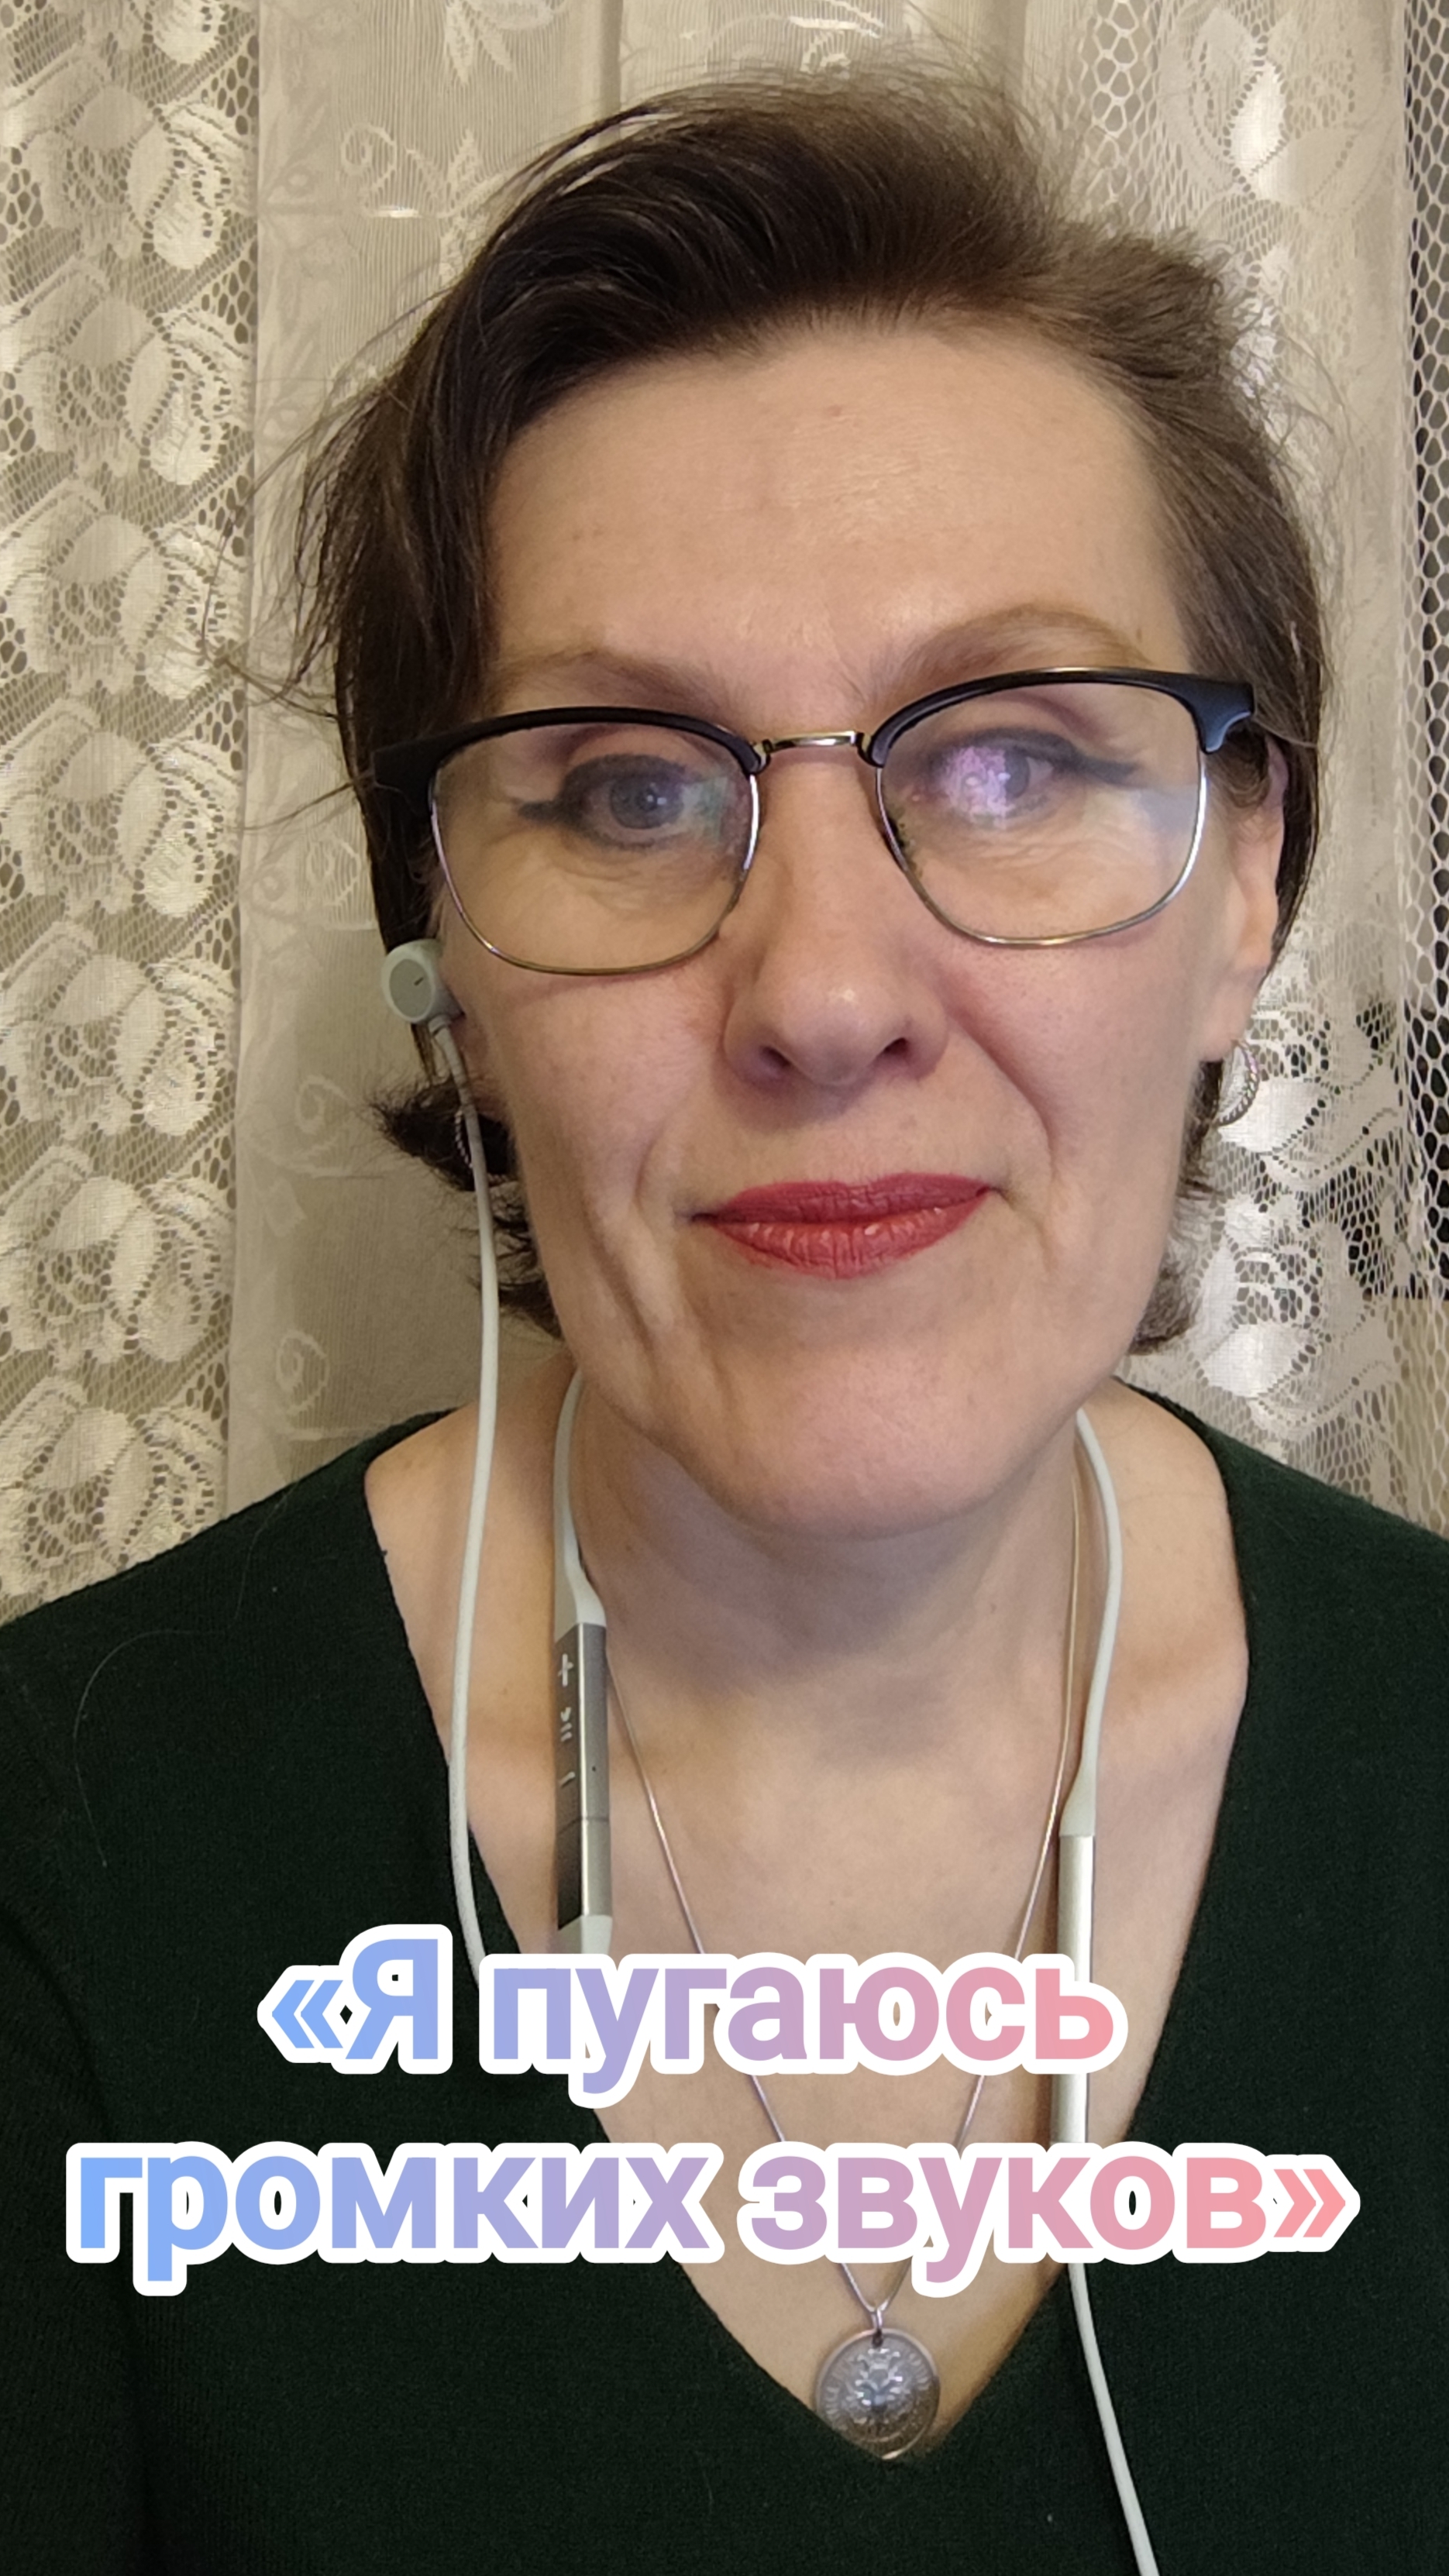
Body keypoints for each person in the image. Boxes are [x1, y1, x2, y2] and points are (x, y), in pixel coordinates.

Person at [2, 63, 1445, 2576]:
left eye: (1011, 759)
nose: (825, 996)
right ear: (447, 969)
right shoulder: (64, 1867)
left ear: (1245, 889)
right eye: (630, 791)